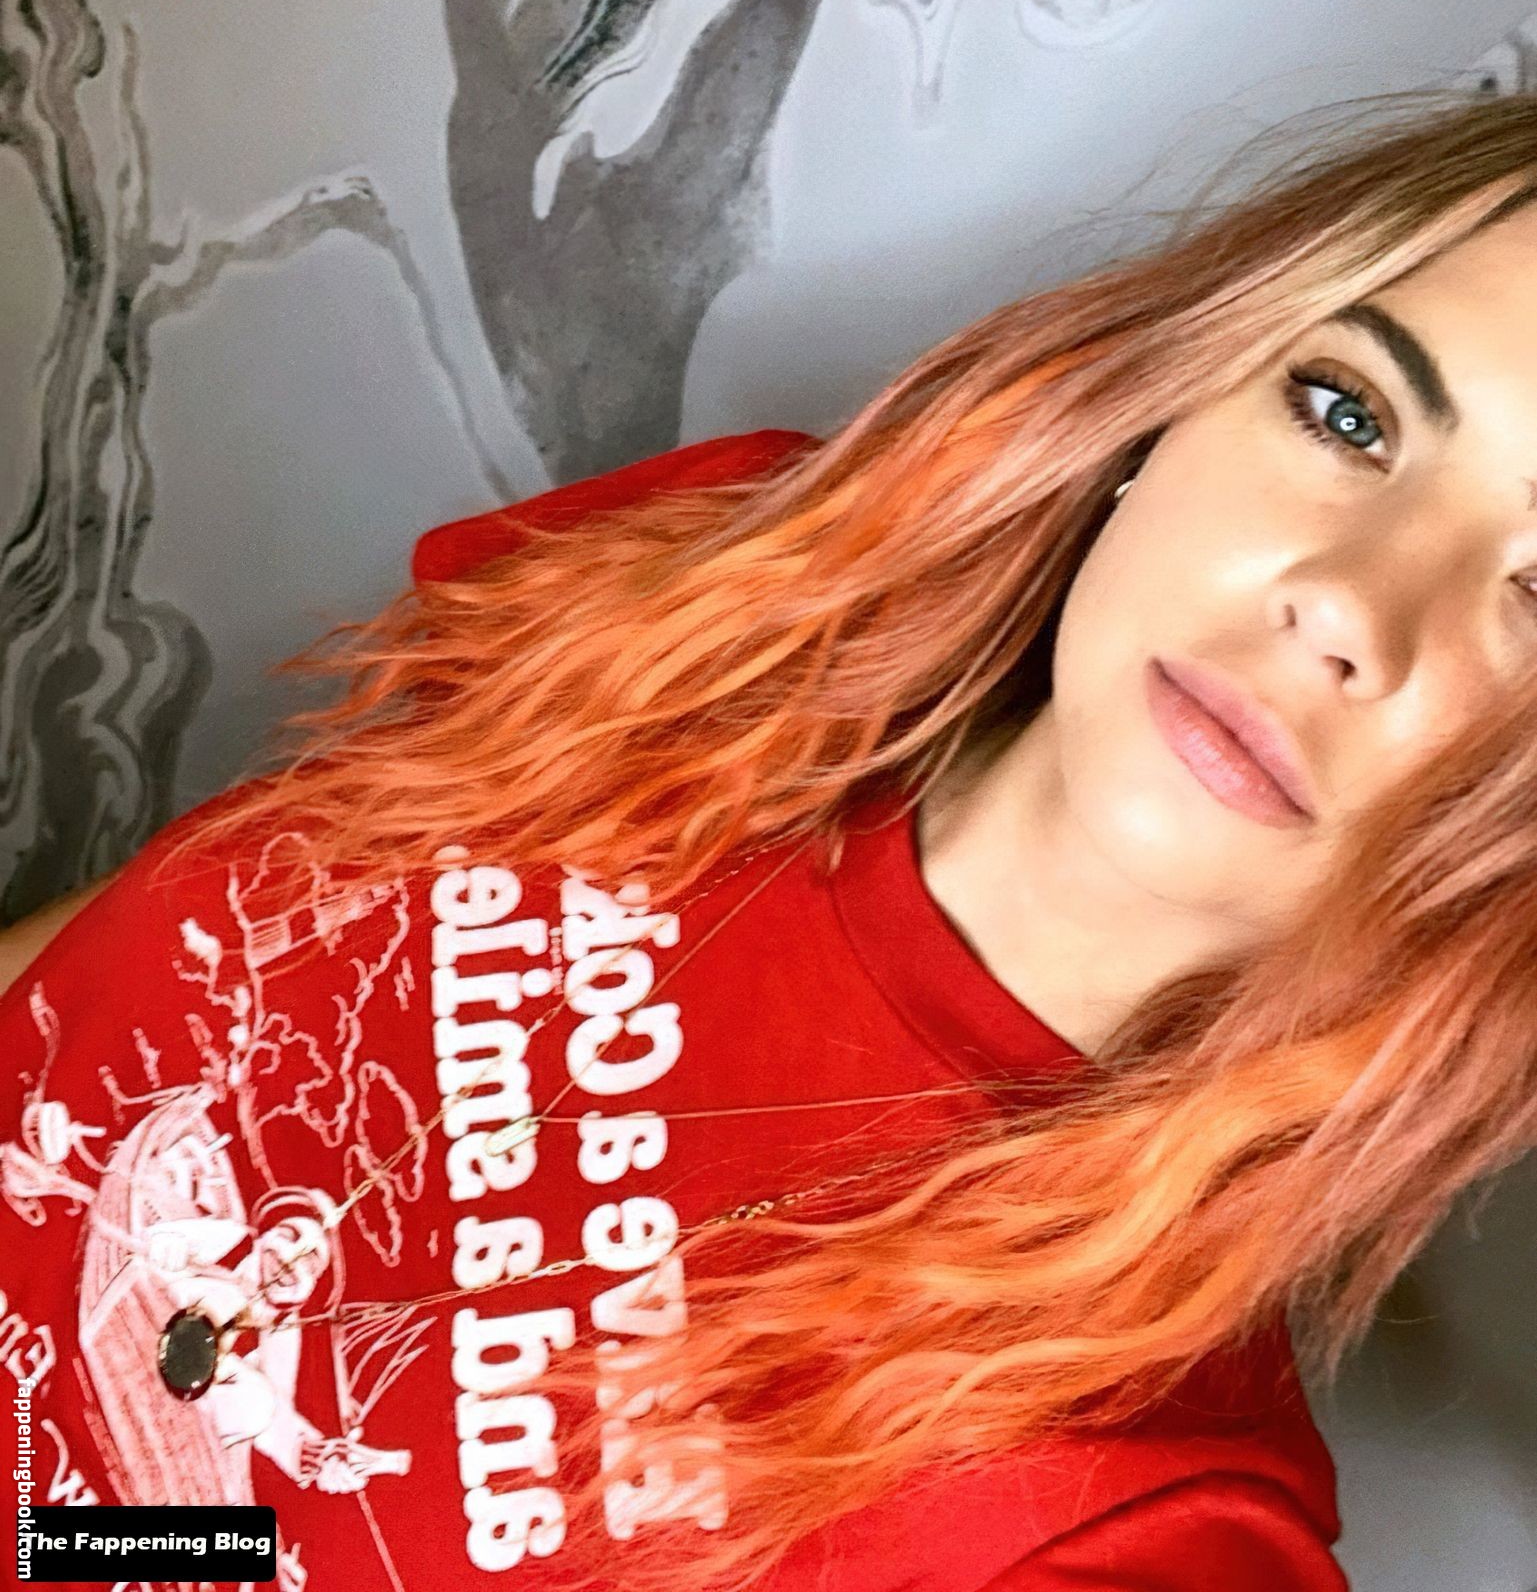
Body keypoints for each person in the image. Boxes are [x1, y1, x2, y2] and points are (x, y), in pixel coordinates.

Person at [7, 88, 1537, 1592]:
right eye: (1348, 413)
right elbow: (140, 973)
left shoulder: (1122, 1532)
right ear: (1185, 389)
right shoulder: (752, 600)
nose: (1344, 599)